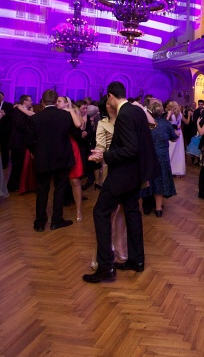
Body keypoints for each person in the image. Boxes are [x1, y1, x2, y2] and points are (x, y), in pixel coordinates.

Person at [83, 81, 159, 283]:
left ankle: (105, 266)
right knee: (132, 213)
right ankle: (136, 260)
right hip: (135, 174)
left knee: (100, 212)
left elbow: (131, 148)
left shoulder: (124, 114)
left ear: (110, 96)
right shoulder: (137, 110)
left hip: (122, 175)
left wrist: (105, 156)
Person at [26, 89, 80, 232]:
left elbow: (29, 141)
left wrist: (36, 152)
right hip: (63, 158)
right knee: (60, 189)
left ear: (43, 102)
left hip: (43, 159)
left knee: (42, 190)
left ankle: (39, 223)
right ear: (56, 101)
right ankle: (56, 220)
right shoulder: (65, 116)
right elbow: (76, 132)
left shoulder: (35, 118)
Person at [93, 97, 127, 264]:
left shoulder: (127, 119)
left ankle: (120, 244)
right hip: (111, 168)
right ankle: (105, 248)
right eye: (107, 102)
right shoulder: (102, 123)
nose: (111, 104)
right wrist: (97, 156)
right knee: (109, 211)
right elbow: (100, 147)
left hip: (129, 168)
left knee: (125, 208)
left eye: (112, 100)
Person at [56, 96, 85, 222]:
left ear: (66, 103)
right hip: (58, 148)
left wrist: (71, 110)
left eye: (59, 101)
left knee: (75, 180)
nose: (56, 103)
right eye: (56, 101)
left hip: (71, 147)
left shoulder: (71, 112)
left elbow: (79, 125)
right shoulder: (54, 114)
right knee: (59, 181)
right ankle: (58, 212)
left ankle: (78, 210)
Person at [149, 100, 178, 217]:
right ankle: (158, 208)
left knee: (148, 180)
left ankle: (146, 206)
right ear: (161, 111)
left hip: (149, 156)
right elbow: (174, 137)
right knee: (160, 181)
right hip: (162, 156)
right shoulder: (165, 124)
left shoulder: (146, 123)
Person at [7, 94, 33, 192]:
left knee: (19, 165)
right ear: (24, 102)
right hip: (17, 142)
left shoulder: (23, 110)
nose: (32, 102)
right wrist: (31, 130)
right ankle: (13, 186)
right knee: (17, 165)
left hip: (21, 142)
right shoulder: (18, 111)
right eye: (30, 100)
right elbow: (20, 126)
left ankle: (17, 185)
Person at [168, 101, 186, 177]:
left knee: (171, 151)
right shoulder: (180, 114)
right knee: (178, 152)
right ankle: (177, 170)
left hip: (172, 133)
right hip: (179, 133)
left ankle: (170, 169)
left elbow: (167, 124)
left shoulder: (170, 114)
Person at [0, 91, 13, 170]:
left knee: (4, 148)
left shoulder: (8, 105)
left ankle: (4, 164)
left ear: (3, 97)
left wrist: (5, 114)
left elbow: (12, 115)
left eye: (0, 96)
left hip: (5, 131)